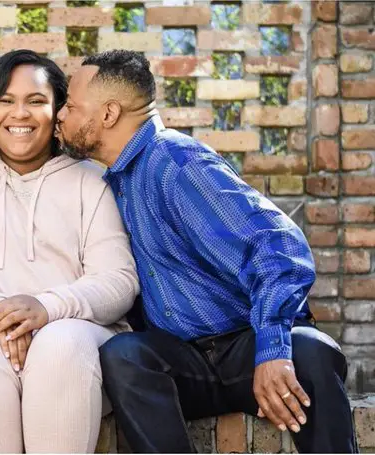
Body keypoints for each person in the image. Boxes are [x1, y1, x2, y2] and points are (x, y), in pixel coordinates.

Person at [56, 49, 356, 453]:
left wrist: (271, 348)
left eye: (72, 106)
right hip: (183, 362)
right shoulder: (111, 181)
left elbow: (278, 246)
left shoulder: (175, 163)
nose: (60, 115)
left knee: (311, 351)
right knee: (125, 356)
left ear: (108, 114)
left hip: (244, 345)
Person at [0, 49, 139, 453]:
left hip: (74, 333)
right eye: (6, 101)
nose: (19, 114)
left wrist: (45, 308)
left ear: (58, 110)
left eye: (37, 101)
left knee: (59, 343)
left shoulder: (91, 182)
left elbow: (118, 280)